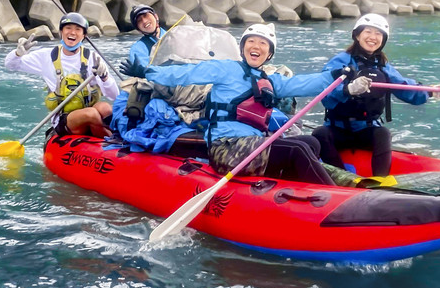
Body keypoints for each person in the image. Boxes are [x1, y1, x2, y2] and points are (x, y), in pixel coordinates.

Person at [122, 23, 369, 186]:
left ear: (269, 53)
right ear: (243, 47)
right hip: (227, 149)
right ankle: (335, 195)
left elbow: (304, 84)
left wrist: (336, 76)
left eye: (263, 44)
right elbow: (186, 74)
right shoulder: (226, 69)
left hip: (254, 146)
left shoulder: (268, 80)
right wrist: (148, 71)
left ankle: (340, 183)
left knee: (310, 142)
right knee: (297, 150)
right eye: (251, 41)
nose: (256, 47)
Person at [312, 13, 440, 176]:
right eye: (368, 32)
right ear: (357, 35)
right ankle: (341, 177)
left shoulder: (383, 66)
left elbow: (403, 86)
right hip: (337, 129)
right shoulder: (340, 61)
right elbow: (325, 91)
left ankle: (380, 181)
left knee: (383, 133)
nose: (373, 37)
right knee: (319, 134)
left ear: (383, 40)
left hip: (366, 130)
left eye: (378, 34)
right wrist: (347, 89)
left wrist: (430, 91)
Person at [5, 12, 119, 137]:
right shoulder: (46, 56)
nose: (72, 32)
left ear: (84, 35)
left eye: (78, 29)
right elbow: (10, 65)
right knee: (91, 114)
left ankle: (117, 137)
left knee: (105, 108)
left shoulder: (93, 58)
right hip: (64, 118)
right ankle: (110, 140)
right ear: (61, 32)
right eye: (68, 28)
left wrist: (104, 77)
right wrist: (18, 53)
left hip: (89, 107)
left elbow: (114, 96)